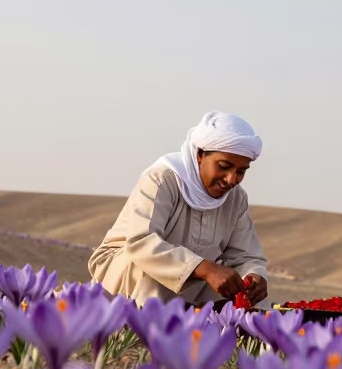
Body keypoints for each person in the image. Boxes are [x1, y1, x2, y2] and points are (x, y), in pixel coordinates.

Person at [89, 111, 269, 307]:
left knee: (238, 293)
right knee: (149, 274)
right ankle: (140, 333)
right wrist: (205, 269)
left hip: (192, 276)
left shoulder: (236, 199)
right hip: (126, 265)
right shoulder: (162, 179)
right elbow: (141, 243)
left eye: (241, 171)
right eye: (224, 166)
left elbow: (246, 256)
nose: (231, 179)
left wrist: (254, 275)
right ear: (200, 155)